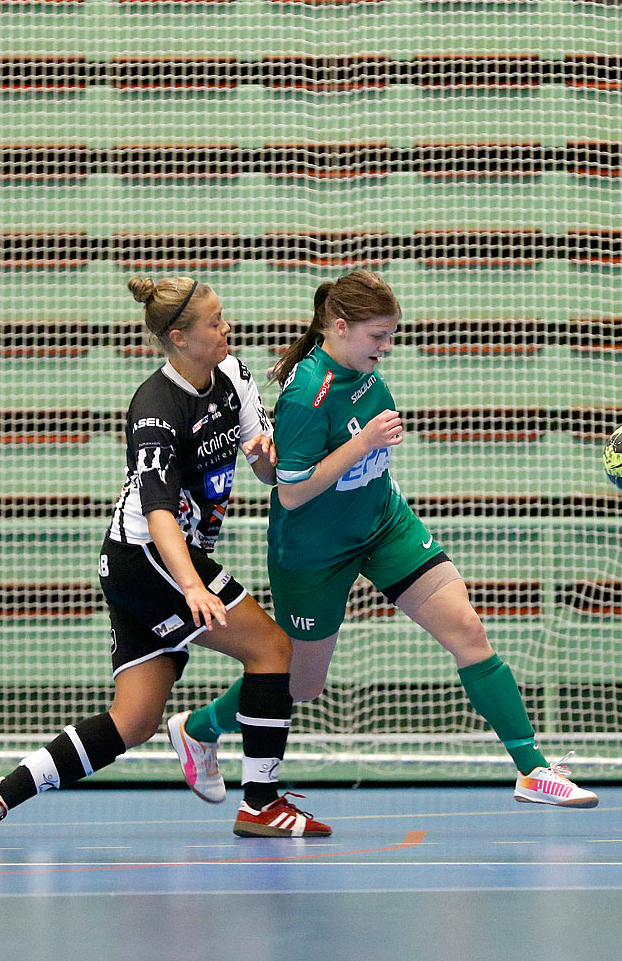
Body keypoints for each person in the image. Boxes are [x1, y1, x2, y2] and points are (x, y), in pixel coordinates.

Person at [167, 270, 597, 808]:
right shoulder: (306, 393)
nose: (387, 347)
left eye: (391, 334)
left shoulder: (363, 370)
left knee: (467, 629)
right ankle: (200, 729)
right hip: (314, 552)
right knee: (301, 684)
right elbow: (293, 493)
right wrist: (365, 441)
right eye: (378, 336)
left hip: (383, 523)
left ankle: (533, 769)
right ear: (341, 328)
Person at [0, 277, 331, 840]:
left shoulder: (236, 377)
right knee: (271, 649)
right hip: (148, 558)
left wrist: (266, 458)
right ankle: (262, 803)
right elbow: (158, 512)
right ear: (179, 338)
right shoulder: (153, 408)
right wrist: (193, 585)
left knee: (135, 720)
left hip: (152, 564)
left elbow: (264, 469)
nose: (227, 328)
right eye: (214, 322)